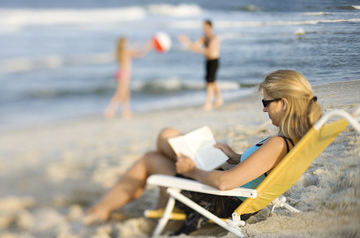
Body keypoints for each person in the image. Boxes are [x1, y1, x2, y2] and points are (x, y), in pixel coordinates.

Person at [84, 70, 322, 235]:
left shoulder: (278, 144)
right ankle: (161, 203)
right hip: (234, 190)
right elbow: (263, 168)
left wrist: (192, 170)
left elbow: (223, 183)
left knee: (151, 159)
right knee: (168, 135)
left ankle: (102, 211)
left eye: (266, 103)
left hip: (218, 200)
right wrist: (235, 156)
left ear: (284, 103)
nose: (264, 110)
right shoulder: (290, 141)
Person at [178, 19, 223, 110]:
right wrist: (186, 41)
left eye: (205, 26)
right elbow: (194, 47)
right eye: (203, 26)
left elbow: (209, 51)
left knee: (210, 82)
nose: (203, 28)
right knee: (212, 81)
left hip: (214, 60)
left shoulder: (214, 38)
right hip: (208, 61)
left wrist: (198, 50)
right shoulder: (204, 38)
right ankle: (219, 99)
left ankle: (208, 103)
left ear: (210, 27)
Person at [104, 37, 152, 119]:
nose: (128, 44)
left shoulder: (120, 52)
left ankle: (124, 111)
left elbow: (135, 52)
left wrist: (135, 47)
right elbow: (140, 54)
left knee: (125, 93)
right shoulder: (126, 51)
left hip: (121, 73)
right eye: (127, 42)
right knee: (120, 93)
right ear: (124, 43)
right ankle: (110, 110)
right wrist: (148, 46)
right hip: (124, 74)